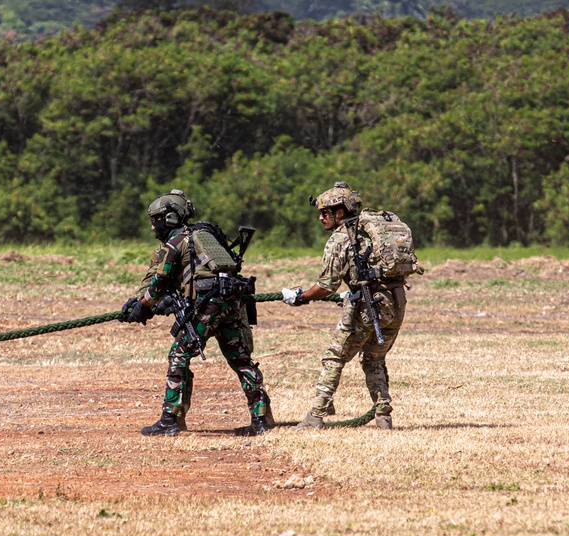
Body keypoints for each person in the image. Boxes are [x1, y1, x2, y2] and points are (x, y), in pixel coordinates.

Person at [120, 189, 272, 436]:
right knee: (242, 361)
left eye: (155, 220)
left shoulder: (175, 243)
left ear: (169, 218)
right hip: (231, 302)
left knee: (178, 355)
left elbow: (159, 282)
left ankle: (171, 419)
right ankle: (261, 420)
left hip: (208, 305)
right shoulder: (203, 236)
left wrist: (143, 306)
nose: (152, 227)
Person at [281, 181, 417, 430]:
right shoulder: (370, 232)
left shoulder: (341, 238)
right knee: (374, 360)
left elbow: (325, 286)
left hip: (369, 306)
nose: (321, 218)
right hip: (396, 304)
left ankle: (315, 416)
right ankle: (383, 416)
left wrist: (300, 297)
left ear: (340, 212)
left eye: (325, 213)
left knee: (334, 358)